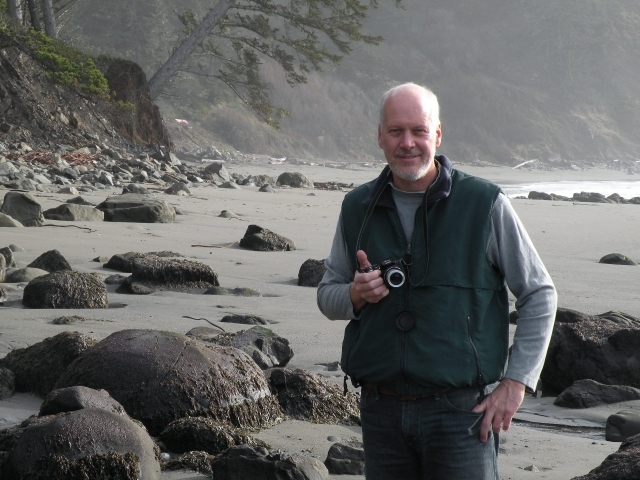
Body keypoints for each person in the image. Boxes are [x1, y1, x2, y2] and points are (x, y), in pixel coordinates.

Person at [317, 82, 557, 480]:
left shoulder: (484, 204)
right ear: (380, 136)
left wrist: (517, 383)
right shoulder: (357, 206)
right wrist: (354, 296)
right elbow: (328, 295)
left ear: (438, 135)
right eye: (396, 131)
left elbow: (539, 293)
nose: (407, 142)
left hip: (462, 413)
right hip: (380, 410)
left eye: (419, 131)